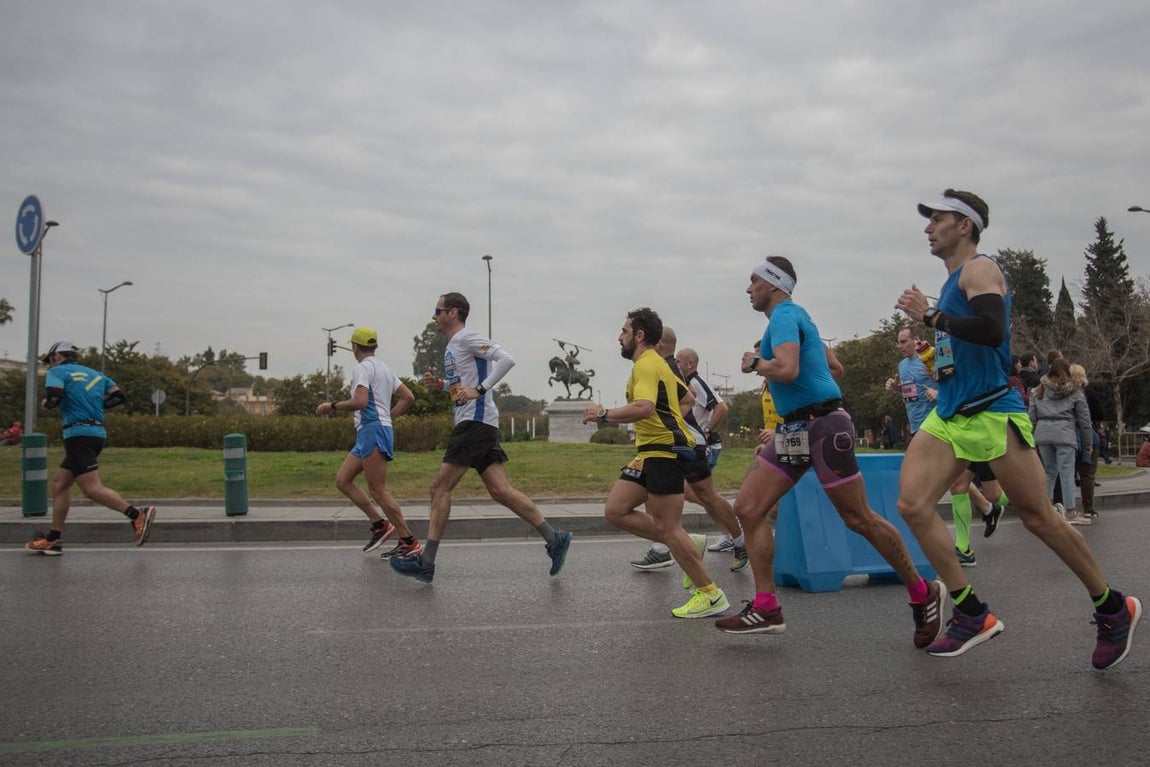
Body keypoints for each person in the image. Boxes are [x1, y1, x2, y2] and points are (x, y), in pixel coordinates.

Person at [895, 189, 1139, 669]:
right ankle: (970, 613)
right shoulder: (949, 282)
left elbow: (990, 329)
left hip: (990, 409)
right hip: (950, 414)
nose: (927, 228)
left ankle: (1113, 607)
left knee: (1038, 518)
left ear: (964, 226)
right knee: (912, 504)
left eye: (937, 219)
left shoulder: (980, 269)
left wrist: (929, 314)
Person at [714, 258, 940, 645]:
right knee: (749, 508)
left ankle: (923, 592)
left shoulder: (784, 315)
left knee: (858, 518)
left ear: (773, 283)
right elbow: (833, 366)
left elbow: (785, 369)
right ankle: (766, 606)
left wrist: (756, 363)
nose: (748, 288)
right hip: (794, 429)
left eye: (753, 281)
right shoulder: (794, 319)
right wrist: (808, 372)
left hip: (823, 427)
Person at [390, 292, 571, 583]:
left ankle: (426, 562)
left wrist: (482, 389)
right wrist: (442, 385)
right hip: (478, 422)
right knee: (501, 491)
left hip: (474, 423)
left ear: (453, 312)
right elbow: (464, 384)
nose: (433, 317)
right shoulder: (453, 346)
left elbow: (506, 359)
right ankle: (555, 538)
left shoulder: (466, 338)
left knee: (439, 488)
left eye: (437, 311)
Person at [582, 308, 730, 618]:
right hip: (650, 451)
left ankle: (711, 594)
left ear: (639, 336)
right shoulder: (657, 364)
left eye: (624, 331)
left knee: (666, 527)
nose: (619, 337)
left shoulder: (647, 366)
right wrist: (671, 415)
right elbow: (686, 397)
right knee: (616, 510)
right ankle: (689, 543)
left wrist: (603, 414)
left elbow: (645, 407)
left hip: (665, 451)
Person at [629, 328, 746, 573]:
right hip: (679, 443)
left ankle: (673, 546)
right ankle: (734, 540)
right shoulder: (666, 365)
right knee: (696, 495)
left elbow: (691, 397)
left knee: (701, 495)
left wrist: (677, 425)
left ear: (659, 344)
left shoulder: (668, 367)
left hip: (682, 443)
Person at [25, 340, 156, 555]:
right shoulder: (96, 374)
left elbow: (54, 396)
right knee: (59, 484)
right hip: (96, 434)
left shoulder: (58, 371)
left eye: (50, 359)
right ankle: (53, 539)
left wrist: (46, 405)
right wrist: (94, 405)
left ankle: (137, 515)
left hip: (77, 434)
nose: (50, 363)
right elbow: (118, 396)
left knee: (92, 489)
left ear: (57, 356)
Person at [316, 326, 421, 556]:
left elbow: (361, 401)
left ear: (354, 346)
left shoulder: (362, 368)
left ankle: (408, 540)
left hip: (372, 430)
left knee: (378, 490)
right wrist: (388, 418)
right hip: (372, 430)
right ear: (373, 346)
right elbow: (408, 397)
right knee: (343, 480)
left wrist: (331, 406)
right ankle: (380, 524)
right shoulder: (384, 368)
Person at [1030, 358, 1093, 526]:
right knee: (1066, 472)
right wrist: (1088, 444)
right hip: (1065, 434)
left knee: (1049, 472)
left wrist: (1031, 438)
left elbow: (1031, 418)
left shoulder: (1037, 391)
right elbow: (1085, 421)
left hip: (1042, 434)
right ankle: (1070, 511)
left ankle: (1047, 509)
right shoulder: (1075, 392)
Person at [1071, 363, 1103, 519]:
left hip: (1069, 436)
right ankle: (1088, 508)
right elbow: (1099, 414)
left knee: (1068, 474)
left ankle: (1068, 507)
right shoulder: (1089, 393)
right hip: (1088, 436)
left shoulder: (1064, 394)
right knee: (1088, 474)